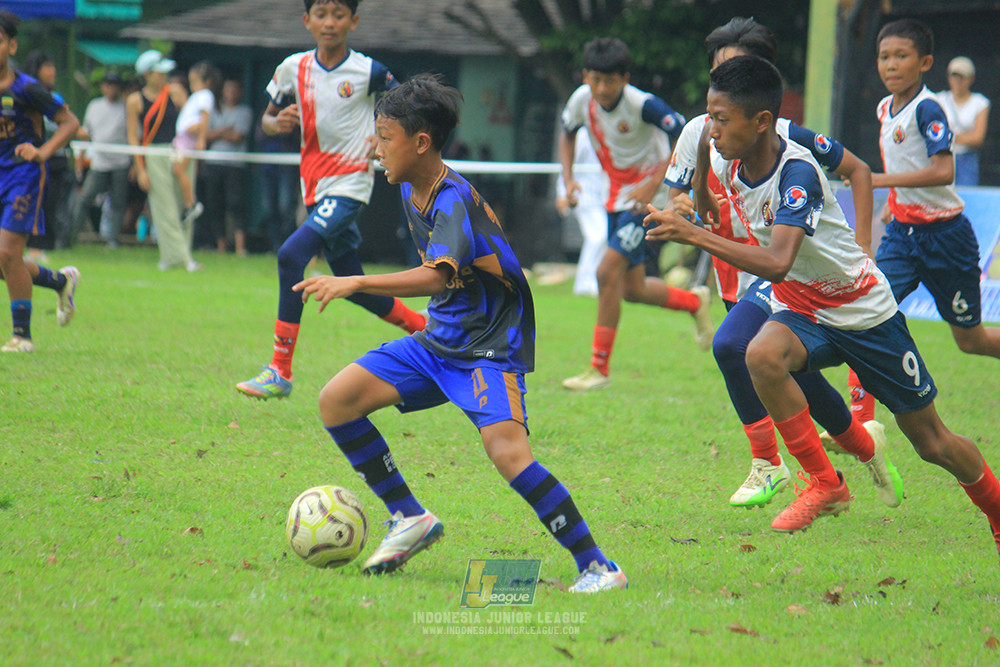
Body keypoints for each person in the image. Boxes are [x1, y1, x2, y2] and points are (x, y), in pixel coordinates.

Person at [646, 55, 1000, 555]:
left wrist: (692, 236)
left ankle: (997, 510)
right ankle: (826, 482)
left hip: (861, 310)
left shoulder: (798, 172)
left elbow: (775, 260)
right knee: (759, 355)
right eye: (711, 117)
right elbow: (709, 177)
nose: (713, 128)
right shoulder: (726, 150)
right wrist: (700, 178)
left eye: (722, 119)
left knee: (932, 442)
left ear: (762, 121)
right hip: (802, 303)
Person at [295, 75, 627, 591]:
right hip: (440, 340)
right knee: (337, 401)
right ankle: (409, 517)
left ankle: (598, 566)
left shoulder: (453, 199)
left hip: (489, 348)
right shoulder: (410, 184)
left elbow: (436, 274)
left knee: (508, 454)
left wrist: (355, 279)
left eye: (384, 137)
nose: (375, 147)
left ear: (420, 142)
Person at [665, 17, 899, 512]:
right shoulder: (700, 131)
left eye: (739, 74)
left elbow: (856, 169)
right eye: (719, 75)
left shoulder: (786, 137)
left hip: (782, 272)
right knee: (789, 377)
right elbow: (683, 200)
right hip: (738, 269)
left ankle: (771, 466)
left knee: (739, 349)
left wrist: (862, 244)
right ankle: (862, 450)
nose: (725, 90)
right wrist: (685, 206)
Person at [235, 0, 426, 400]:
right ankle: (424, 329)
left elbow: (404, 104)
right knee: (355, 285)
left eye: (338, 14)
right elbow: (266, 120)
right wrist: (276, 122)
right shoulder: (293, 68)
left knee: (291, 255)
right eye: (321, 14)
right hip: (315, 187)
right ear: (307, 20)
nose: (329, 22)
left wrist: (382, 132)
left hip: (350, 185)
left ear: (353, 21)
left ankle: (279, 370)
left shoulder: (368, 70)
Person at [835, 20, 1000, 426]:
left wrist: (876, 180)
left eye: (901, 56)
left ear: (924, 62)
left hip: (947, 238)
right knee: (865, 312)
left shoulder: (928, 109)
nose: (890, 65)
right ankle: (862, 422)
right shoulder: (883, 108)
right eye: (884, 57)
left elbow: (943, 171)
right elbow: (902, 162)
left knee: (971, 340)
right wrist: (893, 202)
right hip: (903, 237)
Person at [559, 37, 713, 392]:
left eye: (609, 80)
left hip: (651, 199)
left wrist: (655, 184)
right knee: (632, 288)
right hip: (617, 198)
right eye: (595, 79)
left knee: (605, 269)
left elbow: (686, 135)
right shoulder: (582, 101)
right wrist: (568, 180)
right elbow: (567, 135)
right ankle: (694, 301)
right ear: (586, 76)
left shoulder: (644, 105)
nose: (601, 88)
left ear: (624, 79)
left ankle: (598, 368)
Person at [0, 10, 81, 353]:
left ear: (12, 45)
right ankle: (60, 281)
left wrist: (43, 151)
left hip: (23, 175)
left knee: (7, 253)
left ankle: (22, 337)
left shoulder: (27, 88)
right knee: (5, 262)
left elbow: (70, 122)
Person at [126, 49, 200, 272]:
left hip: (179, 150)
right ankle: (179, 258)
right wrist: (140, 169)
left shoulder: (175, 91)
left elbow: (189, 123)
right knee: (163, 206)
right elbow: (133, 137)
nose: (164, 76)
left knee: (185, 202)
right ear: (147, 74)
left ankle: (181, 255)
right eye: (158, 72)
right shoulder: (134, 100)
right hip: (154, 153)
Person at [22, 50, 75, 254]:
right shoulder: (23, 93)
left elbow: (68, 122)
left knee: (49, 205)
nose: (52, 71)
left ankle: (41, 248)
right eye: (48, 67)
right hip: (26, 159)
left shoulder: (54, 98)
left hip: (54, 159)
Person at [74, 70, 130, 248]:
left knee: (118, 202)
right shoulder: (94, 106)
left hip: (120, 161)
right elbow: (85, 134)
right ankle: (72, 235)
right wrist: (80, 159)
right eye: (109, 85)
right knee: (85, 197)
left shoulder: (125, 107)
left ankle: (112, 239)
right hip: (99, 161)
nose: (112, 89)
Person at [201, 77, 253, 254]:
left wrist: (218, 133)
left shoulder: (245, 111)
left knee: (235, 204)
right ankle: (221, 246)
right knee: (215, 205)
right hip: (214, 163)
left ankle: (240, 247)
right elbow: (206, 134)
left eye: (234, 89)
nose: (231, 93)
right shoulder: (214, 110)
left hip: (234, 165)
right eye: (228, 89)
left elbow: (238, 136)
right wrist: (225, 131)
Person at [555, 126, 607, 297]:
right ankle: (584, 283)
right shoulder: (584, 135)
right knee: (597, 236)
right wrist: (562, 192)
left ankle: (591, 281)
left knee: (602, 238)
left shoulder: (612, 131)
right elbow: (568, 164)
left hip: (604, 196)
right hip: (584, 195)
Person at [172, 61, 218, 228]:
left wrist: (201, 139)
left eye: (195, 82)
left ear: (206, 82)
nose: (193, 86)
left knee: (179, 169)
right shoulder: (196, 97)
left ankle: (191, 203)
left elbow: (204, 118)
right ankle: (187, 202)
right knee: (176, 168)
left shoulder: (206, 95)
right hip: (183, 136)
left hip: (188, 139)